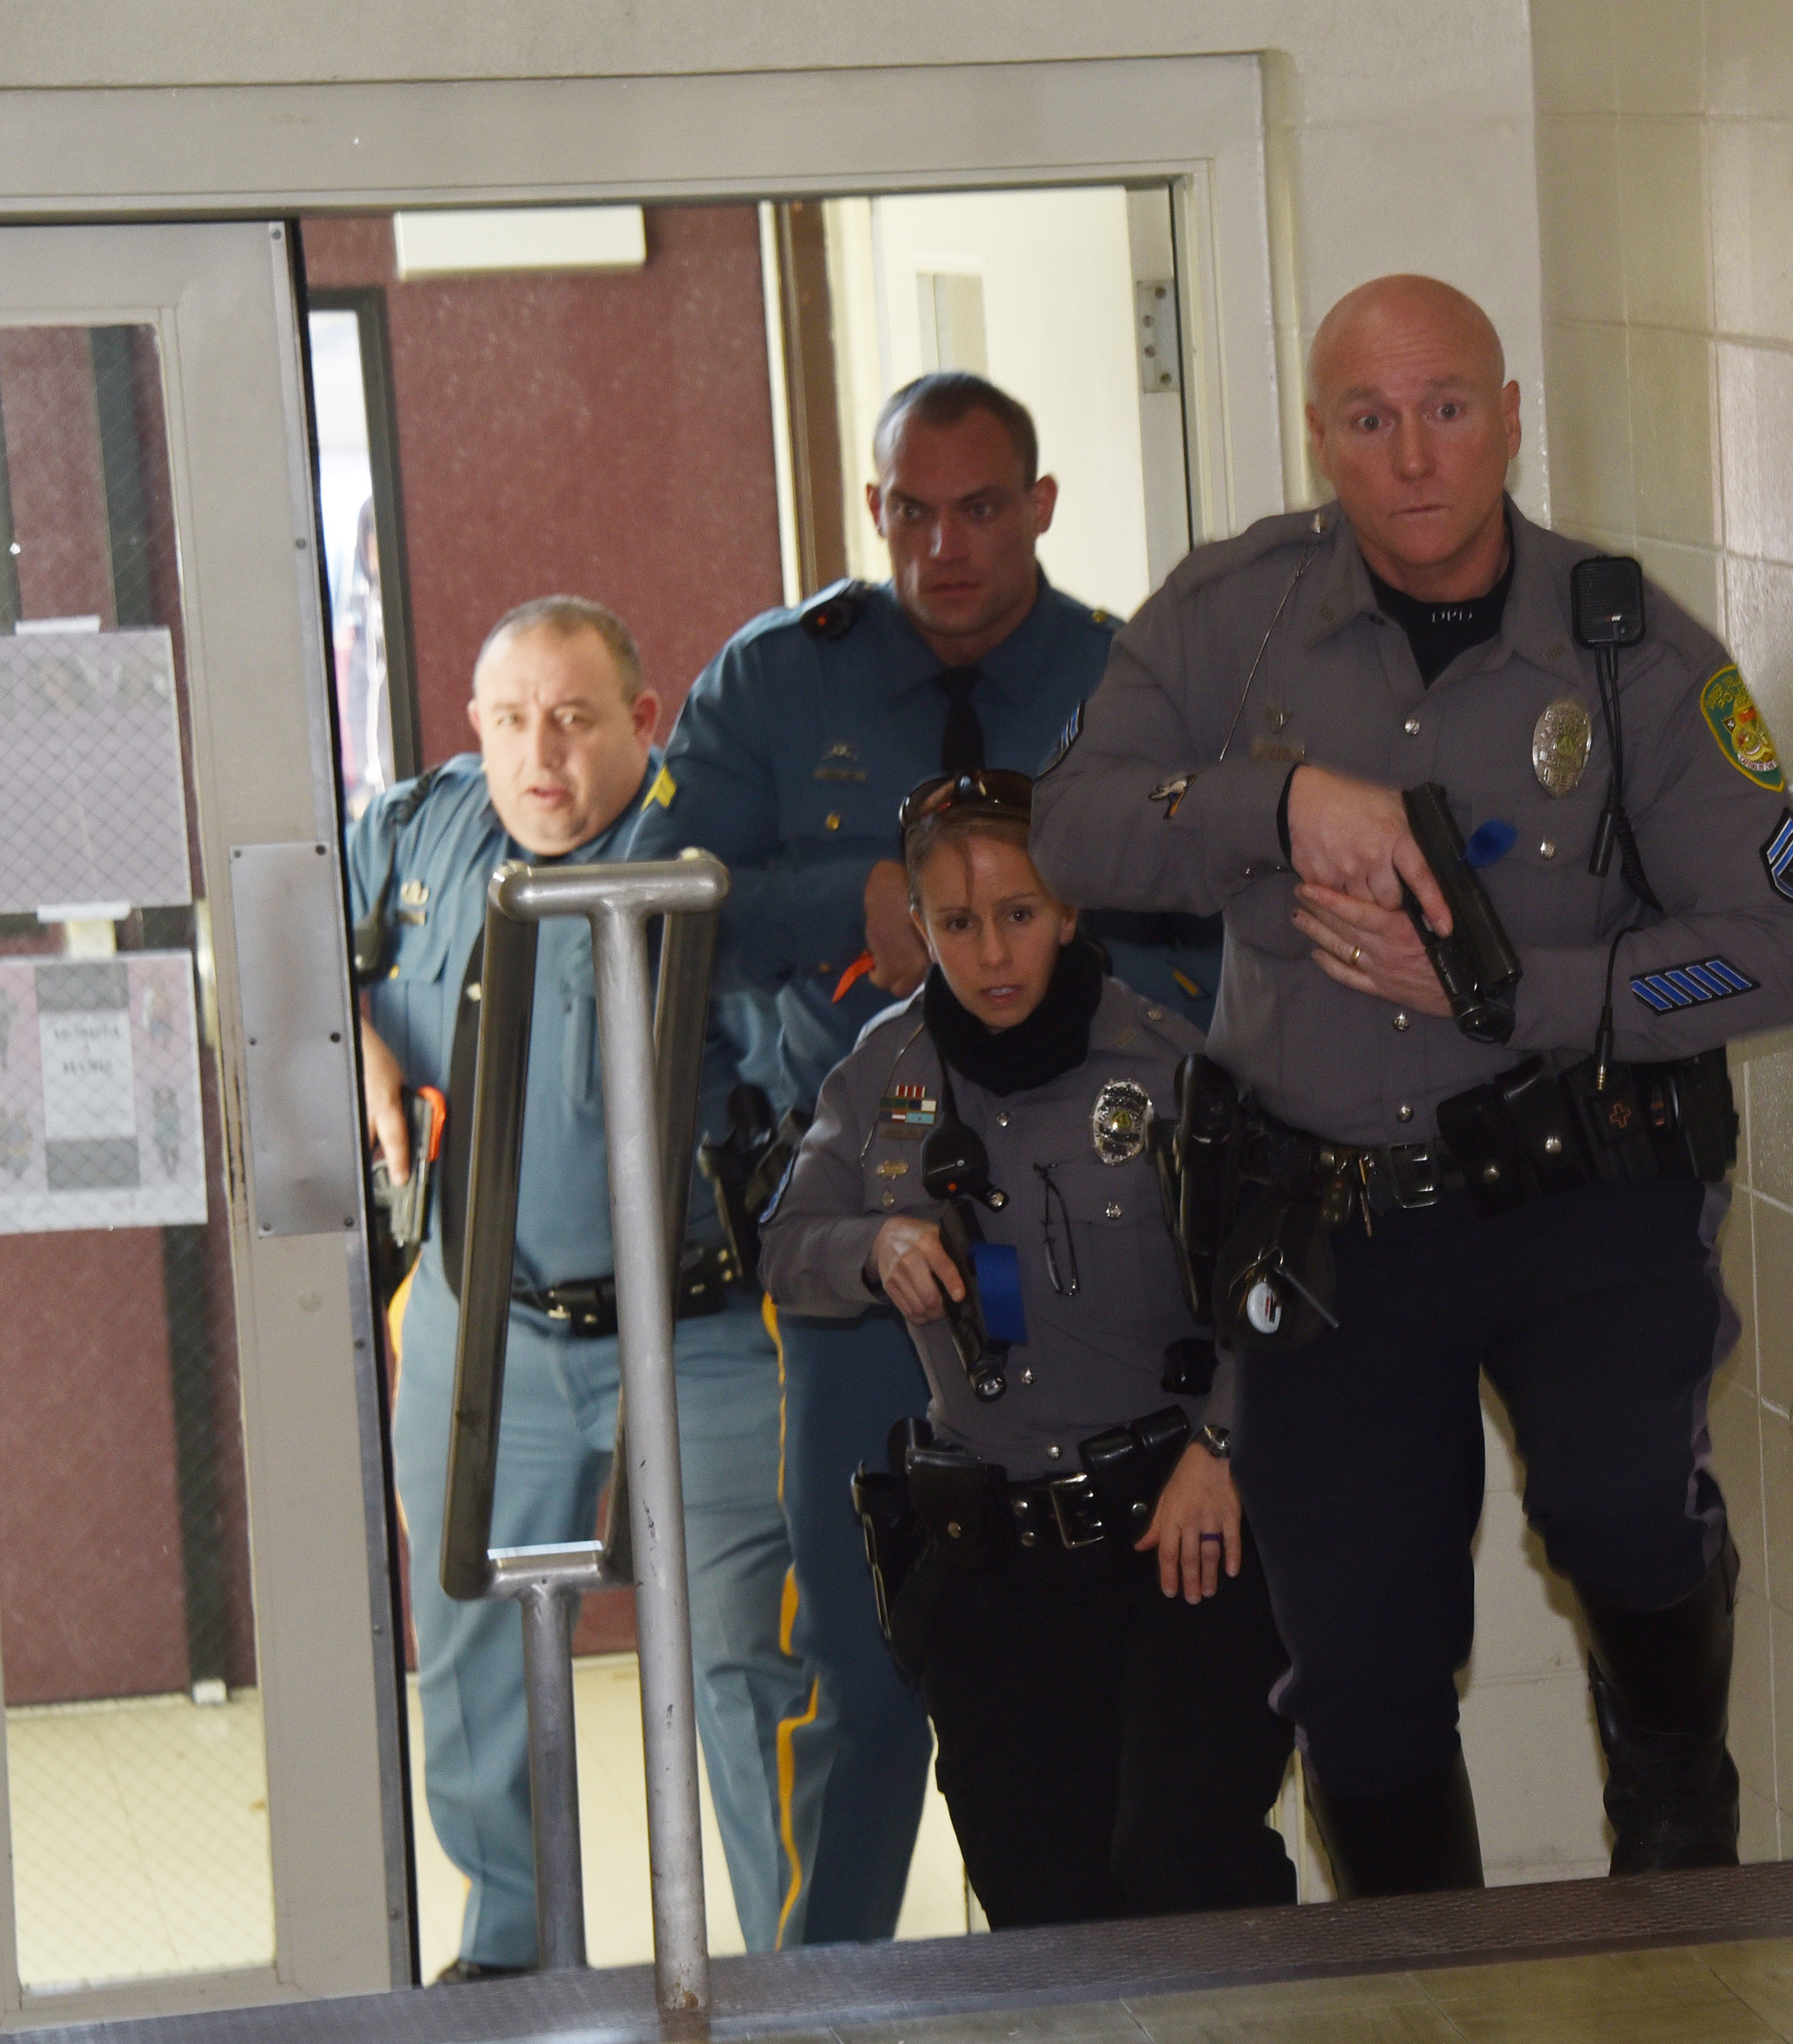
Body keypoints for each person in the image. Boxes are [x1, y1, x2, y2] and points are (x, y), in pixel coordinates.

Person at [1033, 276, 1793, 1893]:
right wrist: (1272, 802)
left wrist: (1528, 995)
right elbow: (1071, 829)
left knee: (1619, 1516)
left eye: (1448, 409)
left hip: (1581, 1202)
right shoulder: (1229, 616)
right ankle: (1433, 1977)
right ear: (1320, 435)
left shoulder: (1635, 651)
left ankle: (1675, 1783)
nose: (1414, 458)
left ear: (1510, 415)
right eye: (1371, 419)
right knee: (1362, 1680)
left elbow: (1765, 954)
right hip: (1330, 1239)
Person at [628, 372, 1209, 1945]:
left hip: (1100, 1252)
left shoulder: (1128, 679)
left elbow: (1220, 919)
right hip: (877, 1248)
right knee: (873, 1684)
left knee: (1130, 1674)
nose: (947, 545)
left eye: (981, 507)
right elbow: (649, 907)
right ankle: (829, 1995)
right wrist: (847, 906)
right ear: (874, 509)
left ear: (1039, 506)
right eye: (913, 510)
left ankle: (1109, 1983)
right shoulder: (775, 682)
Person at [348, 597, 800, 1977]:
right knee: (473, 1654)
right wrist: (357, 1052)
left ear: (644, 723)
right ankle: (509, 1953)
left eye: (574, 718)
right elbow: (269, 938)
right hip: (488, 1324)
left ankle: (799, 1963)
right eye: (507, 720)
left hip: (712, 1331)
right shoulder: (421, 836)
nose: (539, 755)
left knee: (746, 1663)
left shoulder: (712, 858)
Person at [756, 770, 1294, 1927]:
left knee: (1183, 1857)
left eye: (1017, 915)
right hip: (996, 1556)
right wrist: (870, 1244)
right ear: (918, 927)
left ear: (1068, 910)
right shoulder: (881, 1076)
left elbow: (1283, 1279)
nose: (992, 952)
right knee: (1040, 1908)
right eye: (957, 924)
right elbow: (786, 1245)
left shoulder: (1167, 1066)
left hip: (1174, 1533)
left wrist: (1226, 1449)